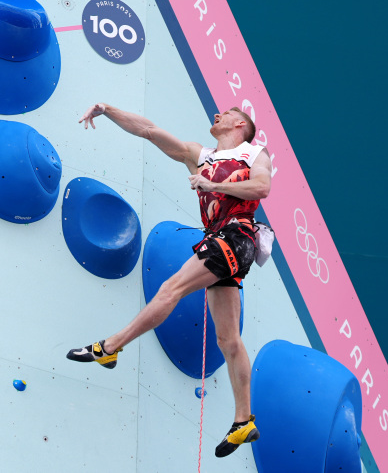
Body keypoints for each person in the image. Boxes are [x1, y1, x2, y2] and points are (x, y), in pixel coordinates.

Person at [66, 103, 272, 458]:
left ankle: (110, 347)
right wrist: (107, 110)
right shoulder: (200, 155)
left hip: (236, 236)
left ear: (241, 124)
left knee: (170, 289)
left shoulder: (253, 152)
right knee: (228, 338)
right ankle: (243, 421)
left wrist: (211, 182)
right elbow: (148, 129)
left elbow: (262, 188)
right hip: (225, 242)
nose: (217, 115)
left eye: (226, 113)